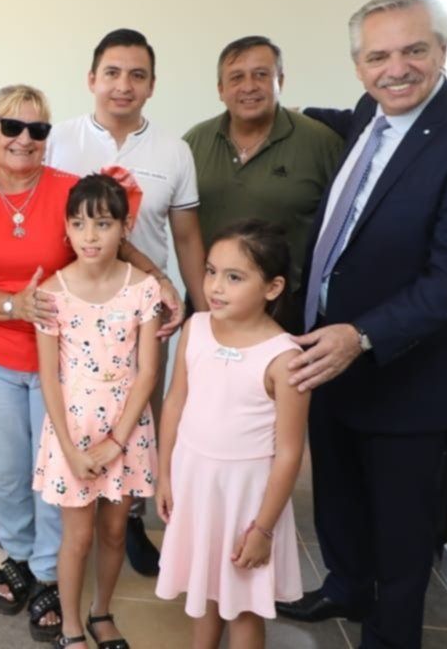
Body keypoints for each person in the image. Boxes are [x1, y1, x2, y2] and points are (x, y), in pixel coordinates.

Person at [276, 0, 447, 648]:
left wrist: (362, 335)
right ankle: (345, 587)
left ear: (443, 49)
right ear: (358, 65)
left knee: (401, 533)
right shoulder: (369, 112)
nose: (396, 69)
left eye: (414, 50)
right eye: (377, 56)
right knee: (338, 496)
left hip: (407, 374)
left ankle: (389, 637)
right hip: (330, 357)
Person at [0, 84, 183, 642]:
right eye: (12, 126)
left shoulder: (69, 190)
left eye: (38, 129)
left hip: (71, 368)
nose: (24, 138)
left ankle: (48, 571)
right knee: (5, 470)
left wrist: (160, 279)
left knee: (59, 472)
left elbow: (115, 240)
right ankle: (19, 555)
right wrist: (11, 305)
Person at [47, 27, 206, 576]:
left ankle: (127, 517)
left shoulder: (174, 151)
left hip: (142, 312)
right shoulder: (59, 141)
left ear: (152, 85)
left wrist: (199, 308)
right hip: (74, 307)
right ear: (91, 78)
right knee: (70, 407)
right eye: (112, 73)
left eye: (137, 75)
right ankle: (71, 520)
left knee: (139, 413)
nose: (123, 85)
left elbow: (186, 236)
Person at [156, 220, 308, 649]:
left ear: (273, 288)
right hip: (196, 483)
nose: (216, 287)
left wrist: (263, 529)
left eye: (234, 277)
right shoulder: (196, 328)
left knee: (241, 607)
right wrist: (164, 475)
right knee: (203, 592)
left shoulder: (284, 359)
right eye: (211, 271)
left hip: (247, 499)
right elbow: (174, 402)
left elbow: (289, 453)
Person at [32, 174, 164, 649]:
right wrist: (70, 449)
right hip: (74, 430)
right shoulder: (51, 292)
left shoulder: (144, 288)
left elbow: (147, 372)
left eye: (103, 224)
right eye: (78, 224)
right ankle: (70, 626)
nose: (90, 236)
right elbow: (49, 377)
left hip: (125, 430)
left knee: (113, 531)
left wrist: (117, 441)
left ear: (125, 228)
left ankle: (100, 611)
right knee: (79, 536)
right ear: (66, 228)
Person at [183, 36, 343, 332]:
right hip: (209, 304)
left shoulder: (322, 143)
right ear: (220, 89)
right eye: (236, 77)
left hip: (286, 309)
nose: (249, 87)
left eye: (261, 75)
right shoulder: (193, 143)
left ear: (280, 81)